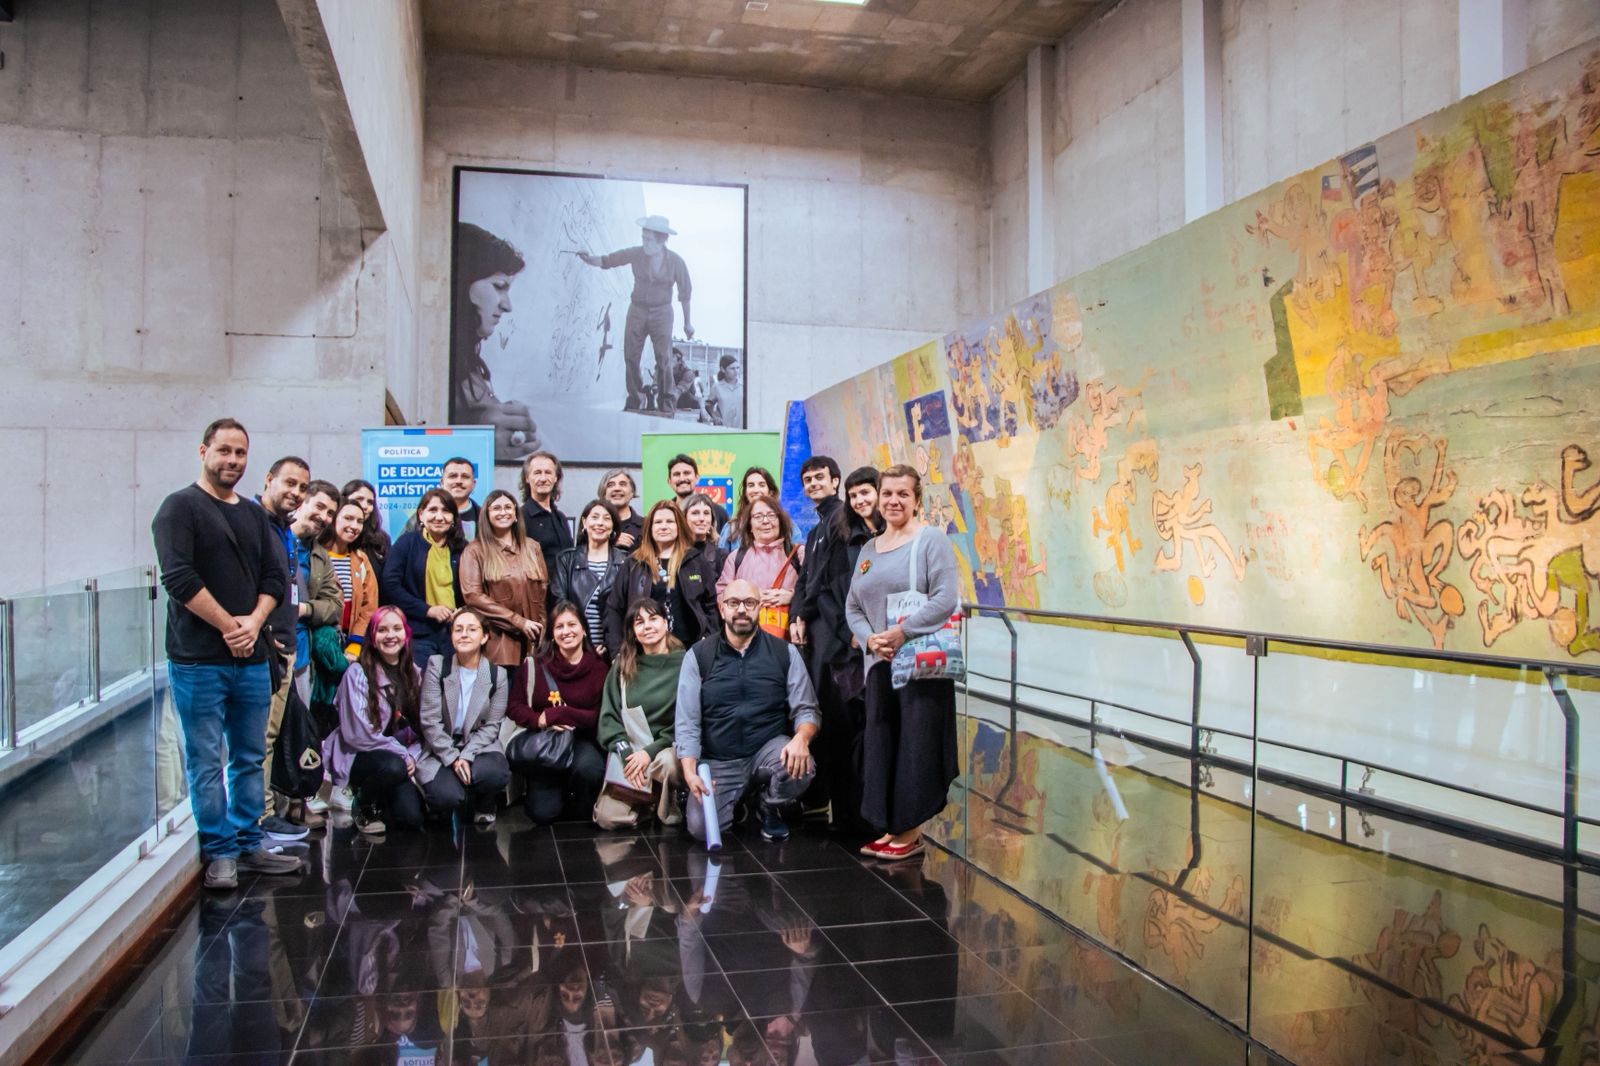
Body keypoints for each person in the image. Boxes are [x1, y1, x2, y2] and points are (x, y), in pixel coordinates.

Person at [151, 418, 301, 890]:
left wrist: (253, 624)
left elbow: (276, 578)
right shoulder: (178, 509)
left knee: (250, 754)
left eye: (240, 453)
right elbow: (178, 579)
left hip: (251, 659)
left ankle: (248, 839)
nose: (232, 461)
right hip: (199, 659)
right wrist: (228, 626)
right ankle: (219, 852)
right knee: (204, 757)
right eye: (224, 451)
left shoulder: (255, 516)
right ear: (203, 452)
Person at [845, 465, 960, 861]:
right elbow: (853, 605)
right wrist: (870, 638)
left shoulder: (930, 541)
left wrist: (901, 632)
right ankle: (893, 826)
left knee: (917, 746)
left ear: (916, 500)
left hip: (920, 667)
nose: (893, 501)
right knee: (885, 745)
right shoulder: (868, 549)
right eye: (887, 493)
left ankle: (909, 832)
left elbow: (945, 598)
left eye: (902, 495)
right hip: (880, 664)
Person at [677, 579, 820, 843]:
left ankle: (769, 803)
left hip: (767, 749)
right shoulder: (698, 656)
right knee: (701, 830)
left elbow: (807, 708)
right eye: (734, 603)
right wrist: (689, 770)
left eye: (750, 603)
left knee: (803, 765)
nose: (742, 610)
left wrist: (801, 739)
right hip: (719, 759)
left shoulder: (784, 652)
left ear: (760, 608)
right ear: (722, 609)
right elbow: (687, 721)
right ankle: (740, 800)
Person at [797, 464, 877, 836]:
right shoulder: (833, 530)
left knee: (869, 729)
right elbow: (824, 587)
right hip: (843, 647)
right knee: (845, 726)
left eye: (868, 492)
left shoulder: (875, 534)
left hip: (877, 645)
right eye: (856, 493)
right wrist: (849, 634)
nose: (862, 499)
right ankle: (848, 811)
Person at [271, 477, 342, 832]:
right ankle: (267, 813)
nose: (324, 517)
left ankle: (296, 805)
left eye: (330, 512)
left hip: (301, 658)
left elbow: (334, 605)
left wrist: (303, 611)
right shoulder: (273, 539)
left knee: (299, 732)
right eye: (319, 507)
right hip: (267, 653)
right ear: (302, 502)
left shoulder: (318, 555)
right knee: (267, 736)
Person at [577, 216, 694, 415]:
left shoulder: (676, 262)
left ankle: (666, 404)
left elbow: (685, 293)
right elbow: (609, 260)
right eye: (643, 238)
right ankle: (635, 399)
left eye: (649, 240)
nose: (644, 243)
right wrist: (589, 259)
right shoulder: (636, 254)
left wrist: (687, 323)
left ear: (661, 241)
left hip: (662, 313)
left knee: (664, 359)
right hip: (637, 310)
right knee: (631, 357)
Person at [254, 456, 314, 842]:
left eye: (302, 488)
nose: (295, 492)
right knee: (258, 736)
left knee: (272, 734)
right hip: (264, 649)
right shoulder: (254, 523)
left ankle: (266, 812)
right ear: (269, 479)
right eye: (289, 483)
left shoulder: (285, 530)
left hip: (287, 648)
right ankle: (258, 817)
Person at [505, 602, 608, 824]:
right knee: (543, 814)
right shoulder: (534, 665)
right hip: (546, 742)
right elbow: (514, 706)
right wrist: (540, 719)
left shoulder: (599, 667)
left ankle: (577, 798)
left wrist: (559, 714)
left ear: (584, 629)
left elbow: (597, 716)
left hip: (582, 739)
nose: (566, 631)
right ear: (552, 633)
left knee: (590, 770)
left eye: (572, 624)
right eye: (559, 626)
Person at [323, 606, 424, 833]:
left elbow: (422, 728)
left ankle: (381, 799)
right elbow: (358, 736)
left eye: (397, 629)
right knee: (393, 766)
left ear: (406, 635)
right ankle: (362, 802)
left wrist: (414, 756)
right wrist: (403, 754)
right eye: (382, 630)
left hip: (396, 759)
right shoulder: (357, 674)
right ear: (373, 637)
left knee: (412, 819)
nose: (390, 635)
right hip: (359, 755)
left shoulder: (414, 673)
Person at [452, 221, 542, 460]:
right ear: (463, 283)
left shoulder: (467, 365)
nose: (507, 305)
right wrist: (478, 440)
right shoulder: (439, 366)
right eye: (499, 286)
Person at [594, 599, 685, 829]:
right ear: (633, 631)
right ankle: (647, 802)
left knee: (667, 764)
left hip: (666, 750)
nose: (647, 626)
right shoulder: (623, 665)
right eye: (639, 622)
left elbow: (688, 720)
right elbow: (608, 718)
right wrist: (627, 756)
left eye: (653, 619)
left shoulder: (685, 663)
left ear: (666, 623)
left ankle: (668, 800)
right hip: (632, 752)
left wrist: (649, 753)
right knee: (607, 819)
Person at [416, 607, 512, 826]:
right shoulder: (437, 666)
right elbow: (430, 722)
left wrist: (466, 756)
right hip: (442, 745)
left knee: (495, 773)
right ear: (451, 636)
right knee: (447, 796)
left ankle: (485, 801)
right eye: (458, 630)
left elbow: (492, 726)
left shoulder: (498, 675)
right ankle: (446, 799)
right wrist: (452, 758)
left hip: (479, 745)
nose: (464, 635)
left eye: (471, 629)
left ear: (484, 636)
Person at [604, 501, 718, 653]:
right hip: (643, 653)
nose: (664, 526)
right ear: (650, 528)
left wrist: (708, 639)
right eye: (658, 522)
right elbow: (614, 608)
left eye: (670, 521)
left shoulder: (696, 560)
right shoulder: (633, 563)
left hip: (690, 652)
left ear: (679, 526)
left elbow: (710, 606)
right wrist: (616, 651)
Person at [459, 488, 548, 668]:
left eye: (508, 507)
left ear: (516, 514)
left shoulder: (533, 548)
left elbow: (543, 592)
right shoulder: (475, 551)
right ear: (487, 515)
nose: (503, 512)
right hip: (497, 644)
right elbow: (473, 596)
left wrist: (541, 630)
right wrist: (518, 622)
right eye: (496, 508)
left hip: (534, 644)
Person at [381, 488, 465, 665]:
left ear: (453, 518)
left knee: (452, 689)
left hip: (456, 632)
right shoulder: (407, 543)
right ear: (421, 514)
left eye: (446, 511)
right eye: (433, 510)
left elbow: (472, 588)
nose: (439, 516)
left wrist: (463, 610)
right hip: (419, 633)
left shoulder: (462, 548)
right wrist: (427, 610)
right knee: (423, 689)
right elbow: (390, 585)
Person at [551, 499, 627, 659]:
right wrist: (582, 645)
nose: (600, 523)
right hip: (574, 649)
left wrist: (611, 645)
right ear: (584, 522)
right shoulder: (566, 560)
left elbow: (629, 609)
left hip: (615, 652)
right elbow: (560, 605)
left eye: (607, 519)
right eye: (595, 517)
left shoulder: (626, 561)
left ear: (613, 526)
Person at [716, 498, 802, 633]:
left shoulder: (798, 555)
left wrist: (792, 597)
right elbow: (722, 595)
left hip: (788, 635)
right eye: (758, 516)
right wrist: (749, 599)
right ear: (749, 525)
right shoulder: (736, 557)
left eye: (772, 515)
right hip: (745, 636)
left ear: (781, 521)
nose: (766, 521)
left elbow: (812, 591)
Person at [788, 456, 842, 650]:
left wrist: (803, 613)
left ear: (835, 481)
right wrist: (795, 618)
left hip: (837, 628)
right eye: (808, 480)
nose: (813, 483)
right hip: (814, 628)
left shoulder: (842, 519)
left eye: (820, 477)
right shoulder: (813, 533)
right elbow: (803, 580)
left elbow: (826, 576)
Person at [318, 495, 380, 662]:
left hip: (350, 646)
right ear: (333, 519)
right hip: (318, 643)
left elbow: (369, 606)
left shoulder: (361, 560)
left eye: (360, 521)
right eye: (348, 518)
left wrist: (356, 642)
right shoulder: (316, 554)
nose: (354, 526)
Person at [520, 451, 574, 578]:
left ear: (556, 478)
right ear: (527, 478)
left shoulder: (561, 517)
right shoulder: (520, 517)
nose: (543, 479)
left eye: (548, 472)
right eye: (537, 472)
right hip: (537, 594)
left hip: (563, 594)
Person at [717, 465, 779, 555]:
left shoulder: (786, 525)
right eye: (751, 485)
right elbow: (721, 563)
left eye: (762, 485)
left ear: (770, 491)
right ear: (745, 492)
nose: (756, 490)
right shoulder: (731, 528)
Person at [341, 478, 391, 573]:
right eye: (359, 499)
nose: (365, 506)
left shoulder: (382, 540)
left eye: (370, 502)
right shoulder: (330, 538)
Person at [666, 453, 727, 531]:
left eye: (687, 473)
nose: (682, 478)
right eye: (676, 474)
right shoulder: (666, 512)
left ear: (697, 478)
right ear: (669, 481)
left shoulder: (718, 512)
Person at [681, 493, 726, 576]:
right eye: (695, 513)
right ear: (684, 518)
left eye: (706, 513)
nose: (702, 518)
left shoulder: (721, 556)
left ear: (712, 520)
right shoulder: (673, 553)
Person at [598, 469, 642, 550]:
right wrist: (610, 542)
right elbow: (581, 554)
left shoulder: (646, 526)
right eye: (611, 485)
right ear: (603, 493)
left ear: (632, 492)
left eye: (623, 484)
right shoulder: (594, 525)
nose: (617, 488)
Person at [705, 355, 743, 428]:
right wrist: (715, 417)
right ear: (723, 369)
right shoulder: (717, 387)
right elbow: (708, 404)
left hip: (742, 430)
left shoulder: (744, 386)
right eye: (732, 368)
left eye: (737, 368)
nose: (736, 371)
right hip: (724, 429)